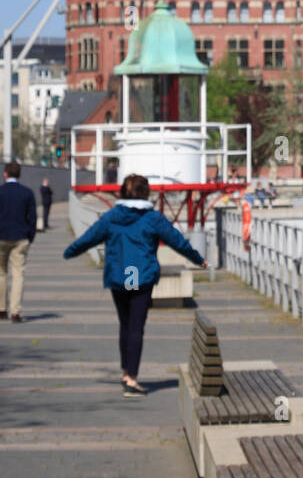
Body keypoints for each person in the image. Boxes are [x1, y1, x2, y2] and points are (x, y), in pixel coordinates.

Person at [63, 173, 206, 396]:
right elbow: (176, 240)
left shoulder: (111, 217)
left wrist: (70, 252)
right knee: (136, 327)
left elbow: (89, 237)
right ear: (145, 193)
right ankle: (131, 378)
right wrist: (198, 259)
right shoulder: (152, 218)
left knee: (125, 324)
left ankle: (126, 372)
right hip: (140, 278)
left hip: (120, 277)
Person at [0, 161, 37, 322]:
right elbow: (33, 218)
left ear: (5, 174)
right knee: (18, 274)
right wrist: (30, 236)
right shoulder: (27, 193)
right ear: (19, 174)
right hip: (21, 237)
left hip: (1, 237)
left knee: (1, 273)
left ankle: (1, 309)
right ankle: (15, 312)